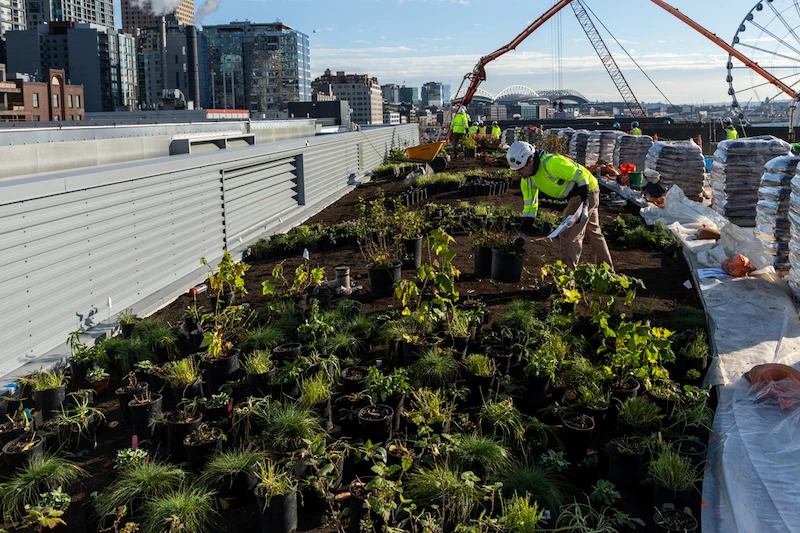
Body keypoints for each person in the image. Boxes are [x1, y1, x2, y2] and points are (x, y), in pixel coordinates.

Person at [507, 141, 613, 270]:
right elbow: (530, 208)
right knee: (593, 233)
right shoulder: (527, 180)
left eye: (521, 168)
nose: (519, 173)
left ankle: (566, 282)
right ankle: (607, 272)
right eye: (516, 170)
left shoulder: (551, 163)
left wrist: (584, 203)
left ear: (530, 160)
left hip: (585, 190)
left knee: (568, 233)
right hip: (580, 193)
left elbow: (582, 175)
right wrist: (522, 235)